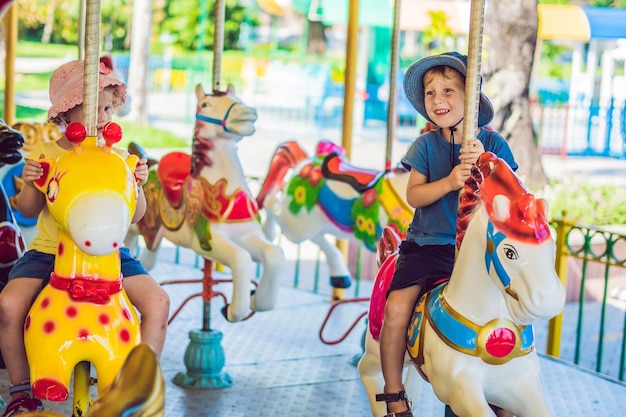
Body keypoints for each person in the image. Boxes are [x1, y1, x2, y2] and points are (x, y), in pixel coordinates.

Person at [0, 59, 170, 416]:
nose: (104, 116)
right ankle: (20, 389)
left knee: (157, 302)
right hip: (49, 252)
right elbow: (29, 211)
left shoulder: (119, 157)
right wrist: (32, 180)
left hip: (109, 256)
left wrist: (137, 184)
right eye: (94, 109)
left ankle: (142, 383)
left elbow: (135, 218)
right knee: (9, 305)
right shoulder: (46, 154)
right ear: (66, 113)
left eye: (108, 107)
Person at [376, 52, 518, 417]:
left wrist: (488, 163)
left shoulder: (494, 144)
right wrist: (451, 181)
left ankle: (506, 384)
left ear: (470, 98)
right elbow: (413, 195)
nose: (438, 100)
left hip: (477, 252)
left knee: (515, 306)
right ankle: (394, 392)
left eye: (449, 91)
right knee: (397, 308)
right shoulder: (424, 146)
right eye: (430, 92)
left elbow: (511, 193)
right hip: (427, 245)